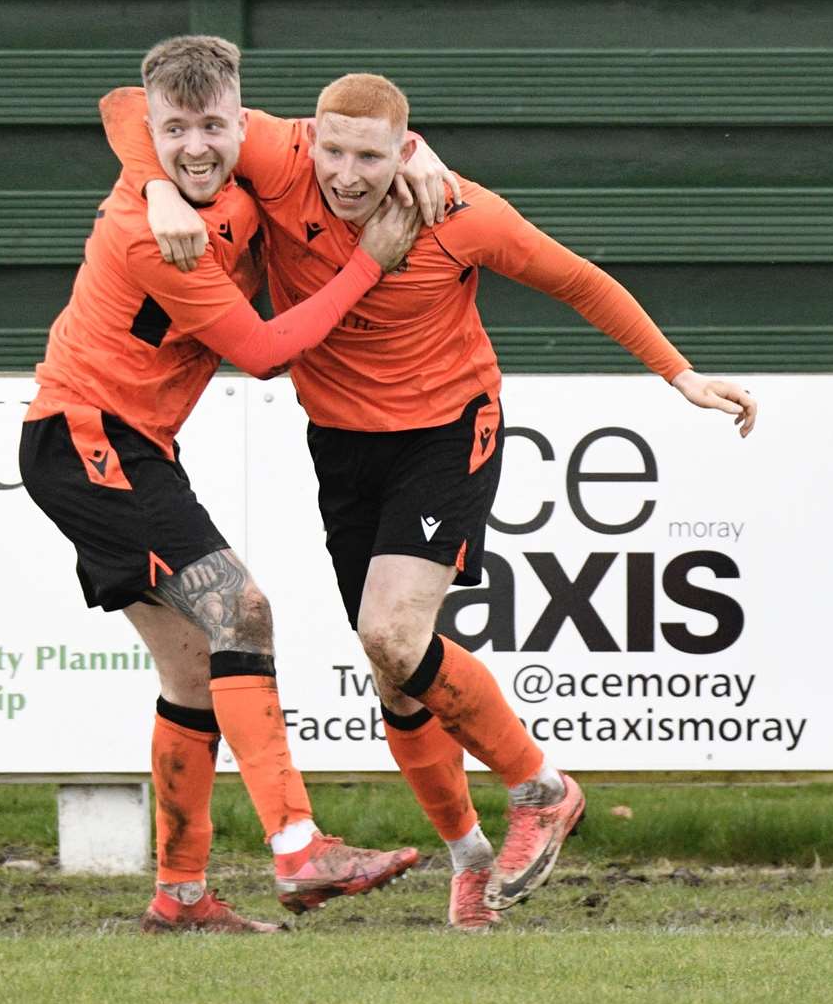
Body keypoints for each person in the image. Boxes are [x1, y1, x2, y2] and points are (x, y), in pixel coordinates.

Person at [101, 68, 759, 931]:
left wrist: (679, 374)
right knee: (396, 673)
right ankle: (471, 859)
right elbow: (130, 104)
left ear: (404, 152)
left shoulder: (458, 210)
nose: (344, 173)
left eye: (367, 157)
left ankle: (541, 790)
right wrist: (158, 188)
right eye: (331, 150)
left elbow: (581, 282)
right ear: (308, 138)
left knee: (393, 635)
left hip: (447, 430)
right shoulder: (279, 153)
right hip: (340, 443)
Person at [21, 37, 437, 934]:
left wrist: (425, 151)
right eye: (176, 132)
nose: (197, 146)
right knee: (242, 612)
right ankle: (298, 847)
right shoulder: (148, 233)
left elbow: (116, 105)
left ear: (241, 122)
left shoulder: (227, 173)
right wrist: (373, 263)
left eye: (213, 126)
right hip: (89, 439)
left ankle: (179, 895)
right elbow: (260, 355)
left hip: (127, 445)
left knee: (195, 670)